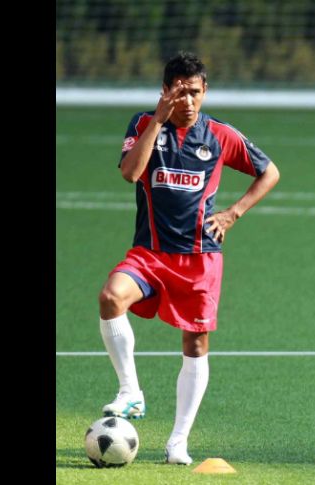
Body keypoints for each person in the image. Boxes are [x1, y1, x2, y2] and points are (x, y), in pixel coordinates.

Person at [97, 52, 280, 465]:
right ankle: (130, 391)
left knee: (196, 344)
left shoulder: (219, 134)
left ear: (205, 92)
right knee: (110, 297)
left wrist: (233, 213)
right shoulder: (144, 124)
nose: (189, 102)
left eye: (195, 93)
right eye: (180, 94)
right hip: (149, 253)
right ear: (166, 92)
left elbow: (269, 172)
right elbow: (130, 172)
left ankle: (177, 441)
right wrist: (159, 120)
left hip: (200, 259)